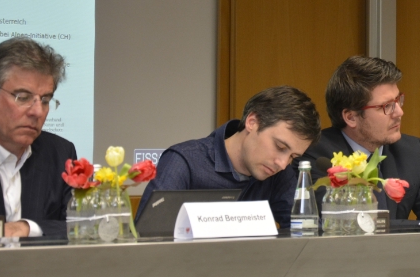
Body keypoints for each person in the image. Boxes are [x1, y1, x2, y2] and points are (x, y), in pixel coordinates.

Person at [137, 86, 321, 228]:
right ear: (252, 122)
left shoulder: (279, 171)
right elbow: (148, 239)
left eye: (293, 156)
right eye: (280, 147)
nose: (282, 163)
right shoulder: (184, 162)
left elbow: (306, 234)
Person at [298, 56, 420, 221]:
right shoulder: (316, 156)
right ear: (351, 117)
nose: (399, 112)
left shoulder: (413, 152)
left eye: (398, 100)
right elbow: (343, 223)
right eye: (386, 106)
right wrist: (416, 226)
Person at [0, 37, 75, 238]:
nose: (37, 111)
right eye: (23, 97)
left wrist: (26, 228)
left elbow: (83, 228)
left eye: (45, 100)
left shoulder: (60, 153)